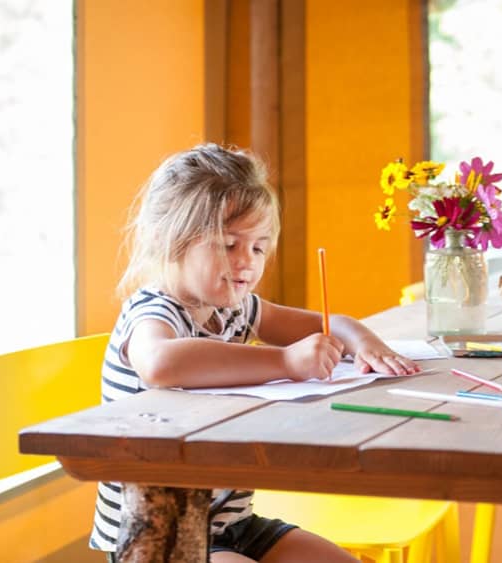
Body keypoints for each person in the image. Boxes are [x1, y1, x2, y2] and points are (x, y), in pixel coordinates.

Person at [89, 142, 420, 562]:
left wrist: (363, 342)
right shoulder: (154, 310)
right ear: (168, 241)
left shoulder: (237, 309)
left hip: (234, 524)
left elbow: (331, 323)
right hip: (162, 537)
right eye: (228, 244)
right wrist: (285, 361)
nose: (247, 261)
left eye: (259, 247)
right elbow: (159, 362)